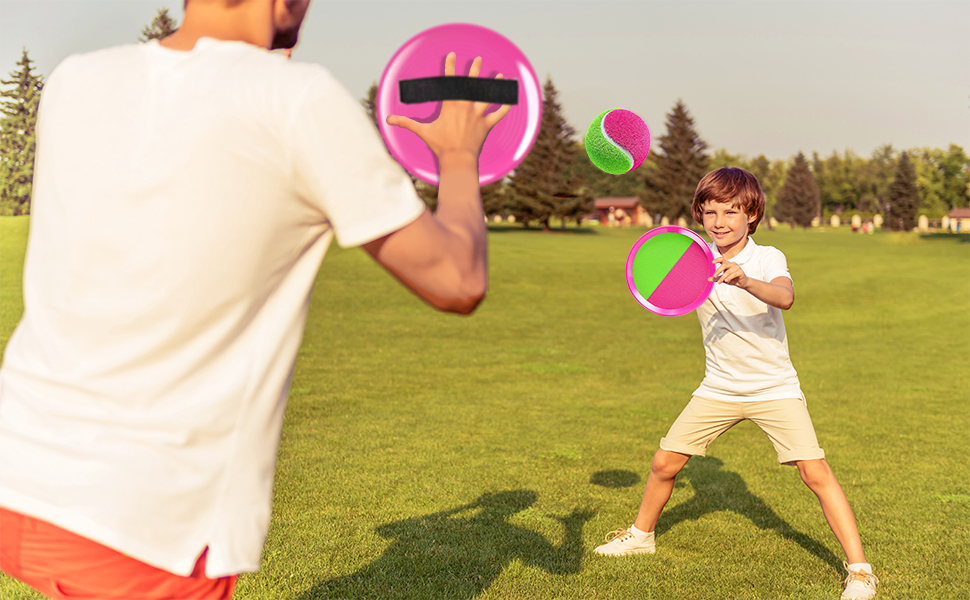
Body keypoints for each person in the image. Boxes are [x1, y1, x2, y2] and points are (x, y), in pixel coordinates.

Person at [0, 0, 511, 598]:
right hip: (146, 525)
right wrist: (456, 156)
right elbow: (457, 280)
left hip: (19, 475)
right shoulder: (297, 101)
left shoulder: (76, 80)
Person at [593, 167, 878, 600]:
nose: (719, 221)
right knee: (664, 463)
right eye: (709, 212)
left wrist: (744, 279)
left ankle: (859, 571)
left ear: (752, 214)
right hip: (718, 388)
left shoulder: (767, 258)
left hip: (773, 388)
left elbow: (786, 297)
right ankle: (640, 536)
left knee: (814, 471)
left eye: (731, 211)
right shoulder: (693, 256)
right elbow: (661, 283)